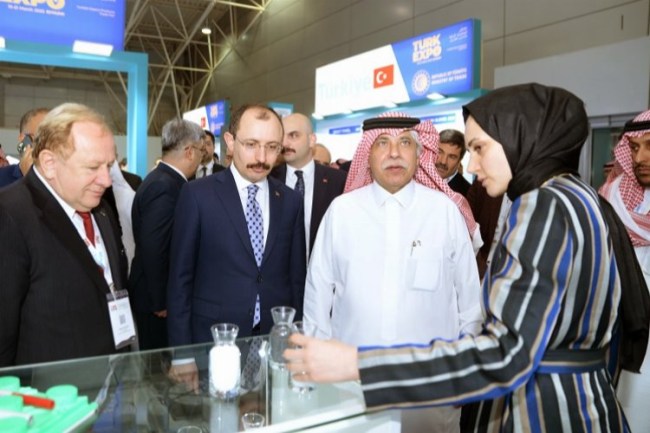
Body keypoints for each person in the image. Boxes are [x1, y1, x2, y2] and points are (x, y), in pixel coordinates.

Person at [286, 83, 642, 432]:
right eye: (382, 143)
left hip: (542, 410)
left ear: (517, 139)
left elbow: (503, 349)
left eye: (480, 148)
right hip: (562, 400)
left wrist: (360, 365)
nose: (471, 164)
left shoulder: (540, 207)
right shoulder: (579, 197)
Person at [303, 112, 482, 433]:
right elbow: (317, 301)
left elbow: (470, 305)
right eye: (382, 143)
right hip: (352, 387)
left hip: (431, 387)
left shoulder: (445, 212)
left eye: (405, 144)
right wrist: (320, 370)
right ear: (368, 154)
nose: (395, 153)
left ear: (420, 153)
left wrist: (463, 374)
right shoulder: (341, 213)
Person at [166, 104, 306, 383]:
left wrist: (296, 341)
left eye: (272, 147)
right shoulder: (197, 195)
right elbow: (180, 279)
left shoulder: (290, 201)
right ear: (230, 142)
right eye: (251, 145)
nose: (261, 157)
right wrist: (182, 354)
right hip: (212, 342)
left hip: (273, 343)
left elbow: (296, 278)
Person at [0, 102, 133, 366]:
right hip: (49, 390)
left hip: (111, 376)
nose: (107, 180)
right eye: (93, 167)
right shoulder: (10, 216)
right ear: (50, 163)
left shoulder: (100, 209)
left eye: (109, 166)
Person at [129, 118, 206, 350]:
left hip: (157, 295)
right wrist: (160, 300)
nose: (202, 158)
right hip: (155, 301)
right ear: (189, 151)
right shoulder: (165, 186)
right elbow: (154, 246)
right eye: (201, 151)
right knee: (158, 363)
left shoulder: (163, 180)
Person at [599, 110, 650, 432]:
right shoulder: (612, 199)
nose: (640, 158)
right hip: (626, 335)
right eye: (634, 148)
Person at [270, 113, 347, 256]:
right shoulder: (269, 179)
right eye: (282, 137)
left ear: (311, 140)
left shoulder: (339, 181)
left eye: (293, 135)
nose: (285, 143)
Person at [0, 107, 49, 188]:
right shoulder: (2, 178)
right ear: (24, 139)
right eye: (42, 136)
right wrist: (30, 178)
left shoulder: (66, 179)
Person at [436, 129, 471, 196]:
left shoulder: (467, 194)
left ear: (459, 161)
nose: (443, 162)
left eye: (451, 157)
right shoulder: (418, 180)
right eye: (440, 152)